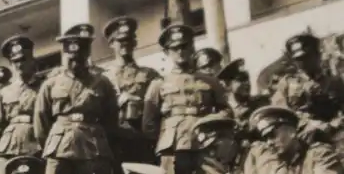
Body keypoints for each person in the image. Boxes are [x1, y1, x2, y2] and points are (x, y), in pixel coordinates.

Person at [143, 24, 232, 174]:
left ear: (192, 47)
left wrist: (211, 122)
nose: (180, 51)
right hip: (173, 147)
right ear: (166, 52)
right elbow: (148, 123)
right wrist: (164, 138)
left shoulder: (210, 81)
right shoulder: (158, 84)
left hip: (205, 142)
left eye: (184, 46)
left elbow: (226, 110)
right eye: (175, 48)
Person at [33, 23, 120, 174]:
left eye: (79, 59)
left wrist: (101, 140)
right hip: (58, 148)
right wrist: (52, 142)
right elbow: (41, 122)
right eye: (71, 59)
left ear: (86, 55)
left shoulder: (102, 82)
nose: (74, 63)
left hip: (94, 148)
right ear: (65, 54)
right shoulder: (51, 84)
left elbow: (111, 119)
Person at [102, 16, 160, 165]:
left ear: (134, 42)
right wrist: (119, 101)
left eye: (128, 40)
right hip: (114, 139)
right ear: (111, 44)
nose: (125, 45)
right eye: (120, 41)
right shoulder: (102, 77)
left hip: (142, 138)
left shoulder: (149, 74)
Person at [272, 34, 344, 144]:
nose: (303, 62)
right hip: (301, 140)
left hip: (333, 136)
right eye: (298, 59)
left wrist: (335, 124)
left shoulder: (334, 82)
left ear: (318, 55)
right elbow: (280, 115)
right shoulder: (286, 85)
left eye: (307, 57)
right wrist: (308, 124)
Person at [0, 35, 44, 174]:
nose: (19, 65)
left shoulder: (44, 87)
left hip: (36, 143)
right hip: (9, 147)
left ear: (32, 60)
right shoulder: (2, 94)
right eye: (15, 62)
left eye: (23, 60)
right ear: (11, 64)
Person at [245, 105, 344, 174]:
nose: (269, 142)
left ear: (291, 132)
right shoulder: (279, 165)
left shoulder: (319, 155)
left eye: (272, 135)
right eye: (265, 138)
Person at [216, 58, 267, 172]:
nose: (247, 84)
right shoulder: (221, 111)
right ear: (227, 85)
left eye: (247, 79)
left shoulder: (259, 104)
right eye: (240, 80)